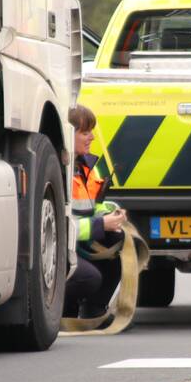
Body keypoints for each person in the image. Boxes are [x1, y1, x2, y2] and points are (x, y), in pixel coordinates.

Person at [64, 104, 127, 321]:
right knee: (88, 278)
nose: (91, 137)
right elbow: (62, 229)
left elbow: (93, 206)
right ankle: (62, 311)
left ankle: (94, 312)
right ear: (67, 134)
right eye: (84, 132)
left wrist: (112, 212)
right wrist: (101, 225)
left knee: (118, 240)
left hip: (79, 242)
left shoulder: (87, 166)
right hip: (62, 246)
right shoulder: (57, 171)